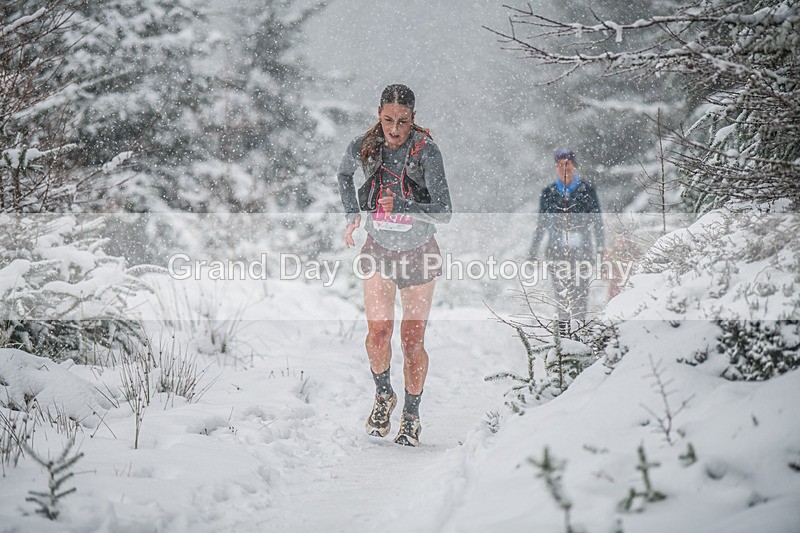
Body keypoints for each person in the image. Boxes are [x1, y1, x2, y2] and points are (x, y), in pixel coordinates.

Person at [337, 84, 452, 447]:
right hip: (380, 250)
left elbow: (445, 211)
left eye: (403, 121)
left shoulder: (425, 150)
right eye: (388, 120)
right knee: (379, 334)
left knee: (412, 342)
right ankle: (384, 394)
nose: (395, 128)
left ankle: (412, 416)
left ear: (413, 118)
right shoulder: (366, 146)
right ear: (379, 114)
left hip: (419, 253)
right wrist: (353, 213)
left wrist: (405, 206)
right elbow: (343, 175)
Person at [527, 148, 604, 335]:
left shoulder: (586, 190)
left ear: (575, 166)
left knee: (580, 294)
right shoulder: (548, 192)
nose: (564, 168)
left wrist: (601, 248)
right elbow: (541, 224)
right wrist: (533, 252)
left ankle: (580, 335)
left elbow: (597, 222)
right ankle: (563, 337)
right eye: (560, 165)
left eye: (568, 164)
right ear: (555, 168)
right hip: (556, 252)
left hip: (583, 252)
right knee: (561, 296)